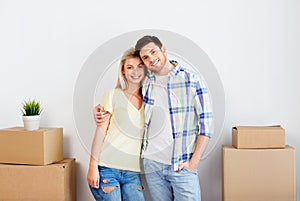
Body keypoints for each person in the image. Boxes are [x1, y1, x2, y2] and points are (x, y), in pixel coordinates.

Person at [95, 36, 213, 201]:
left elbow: (206, 125)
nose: (151, 59)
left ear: (163, 49)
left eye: (153, 52)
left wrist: (193, 163)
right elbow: (124, 95)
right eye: (145, 57)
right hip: (152, 165)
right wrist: (99, 109)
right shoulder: (146, 80)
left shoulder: (192, 80)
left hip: (181, 163)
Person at [87, 47, 147, 201]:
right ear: (123, 71)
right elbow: (100, 132)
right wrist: (93, 166)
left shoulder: (150, 101)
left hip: (132, 173)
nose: (135, 71)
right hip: (107, 169)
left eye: (140, 66)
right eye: (130, 67)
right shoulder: (112, 95)